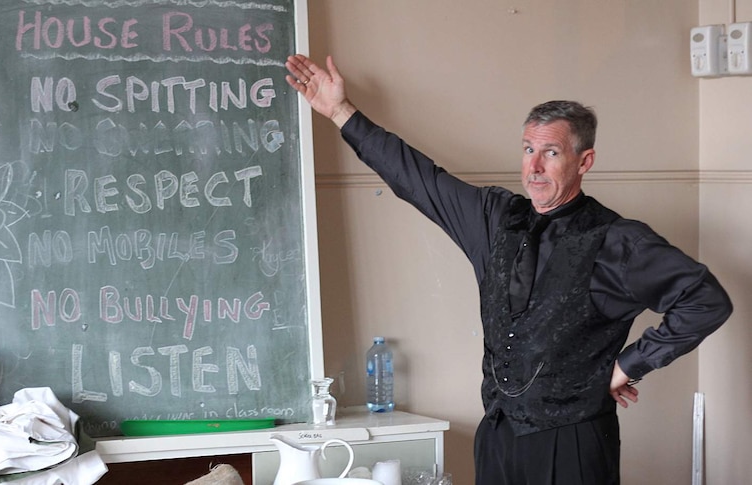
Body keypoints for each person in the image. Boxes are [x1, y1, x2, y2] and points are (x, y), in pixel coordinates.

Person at [285, 54, 732, 485]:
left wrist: (628, 365)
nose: (533, 167)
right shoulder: (494, 217)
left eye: (551, 153)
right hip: (498, 434)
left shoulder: (617, 240)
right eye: (527, 149)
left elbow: (705, 300)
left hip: (572, 440)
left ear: (585, 161)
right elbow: (416, 177)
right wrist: (340, 111)